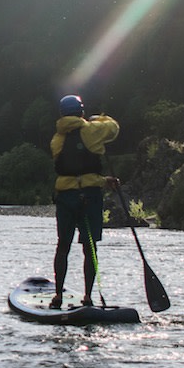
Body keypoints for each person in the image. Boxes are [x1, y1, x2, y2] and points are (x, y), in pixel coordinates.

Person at [49, 94, 119, 309]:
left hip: (66, 198)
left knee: (63, 246)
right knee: (90, 247)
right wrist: (97, 118)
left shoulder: (56, 140)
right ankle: (88, 297)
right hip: (90, 196)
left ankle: (58, 295)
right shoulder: (92, 130)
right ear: (81, 112)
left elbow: (72, 171)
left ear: (61, 114)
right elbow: (114, 128)